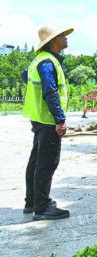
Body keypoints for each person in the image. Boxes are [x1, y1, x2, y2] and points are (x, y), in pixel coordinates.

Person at [21, 26, 73, 220]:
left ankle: (32, 201)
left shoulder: (39, 60)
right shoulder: (48, 62)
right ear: (53, 41)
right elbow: (50, 92)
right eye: (62, 36)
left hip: (38, 117)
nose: (66, 38)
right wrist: (59, 120)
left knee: (36, 159)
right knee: (47, 161)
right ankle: (42, 207)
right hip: (48, 119)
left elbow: (24, 76)